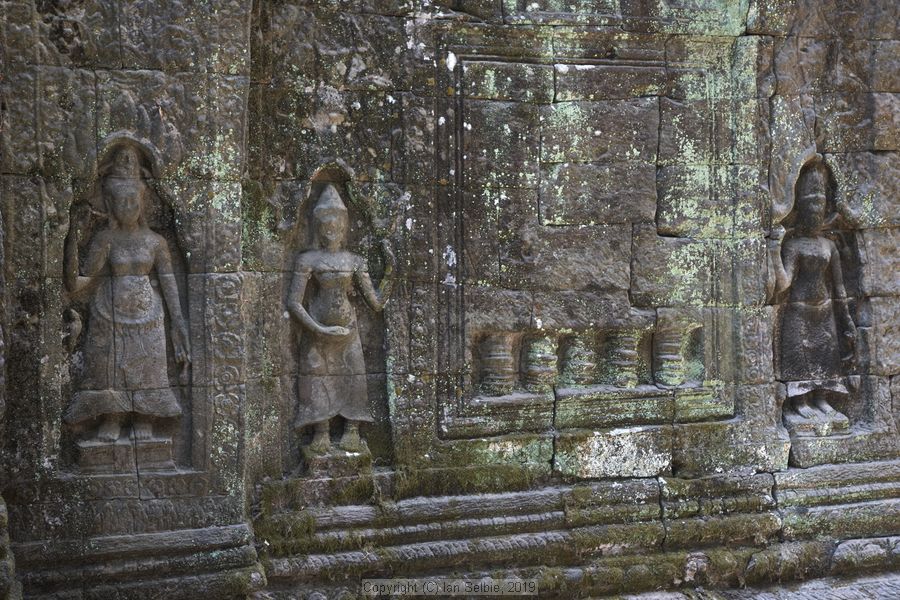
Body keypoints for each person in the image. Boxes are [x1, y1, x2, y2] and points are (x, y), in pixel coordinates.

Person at [64, 144, 190, 444]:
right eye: (122, 202)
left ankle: (144, 417)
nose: (129, 207)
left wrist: (179, 321)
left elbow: (170, 283)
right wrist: (71, 238)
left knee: (148, 366)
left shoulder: (156, 242)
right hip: (109, 310)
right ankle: (112, 416)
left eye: (135, 201)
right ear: (109, 203)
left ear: (143, 202)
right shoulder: (106, 239)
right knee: (109, 367)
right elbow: (79, 283)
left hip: (149, 314)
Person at [287, 183, 393, 454]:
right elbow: (294, 302)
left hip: (348, 331)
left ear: (345, 226)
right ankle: (320, 429)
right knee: (315, 375)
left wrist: (392, 271)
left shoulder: (354, 261)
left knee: (353, 374)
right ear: (317, 226)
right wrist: (318, 329)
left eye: (337, 223)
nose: (331, 228)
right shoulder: (307, 259)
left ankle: (352, 429)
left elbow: (376, 303)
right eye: (325, 223)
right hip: (317, 330)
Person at [770, 159, 854, 434]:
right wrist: (772, 250)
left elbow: (839, 287)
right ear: (800, 210)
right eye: (811, 206)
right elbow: (784, 284)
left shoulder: (830, 245)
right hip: (798, 312)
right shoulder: (794, 245)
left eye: (820, 206)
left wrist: (846, 319)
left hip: (825, 310)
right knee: (800, 356)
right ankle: (800, 402)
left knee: (826, 357)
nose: (816, 211)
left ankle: (821, 398)